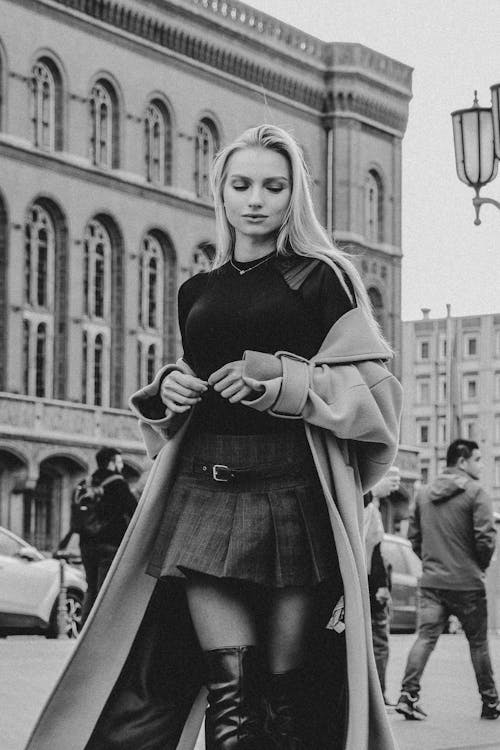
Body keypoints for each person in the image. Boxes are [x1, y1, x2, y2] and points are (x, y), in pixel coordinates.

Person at [26, 124, 402, 750]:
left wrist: (281, 379)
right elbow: (197, 382)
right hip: (204, 492)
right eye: (242, 184)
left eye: (274, 186)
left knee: (286, 702)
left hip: (293, 496)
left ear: (294, 197)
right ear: (221, 194)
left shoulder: (321, 278)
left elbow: (375, 399)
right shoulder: (195, 290)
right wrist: (168, 390)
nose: (257, 199)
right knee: (230, 696)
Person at [396, 439, 498, 721]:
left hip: (431, 583)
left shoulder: (424, 494)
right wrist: (479, 564)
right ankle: (490, 703)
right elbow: (486, 538)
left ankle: (407, 695)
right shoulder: (477, 494)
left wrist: (431, 562)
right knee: (478, 643)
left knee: (425, 638)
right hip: (467, 584)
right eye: (478, 459)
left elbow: (413, 539)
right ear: (462, 461)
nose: (481, 464)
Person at [78, 447, 137, 623]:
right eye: (119, 461)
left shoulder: (88, 482)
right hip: (109, 544)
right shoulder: (118, 483)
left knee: (91, 588)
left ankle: (83, 631)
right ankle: (100, 632)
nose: (121, 465)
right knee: (105, 591)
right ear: (111, 462)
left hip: (86, 543)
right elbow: (135, 510)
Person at [364, 481, 394, 706]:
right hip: (369, 585)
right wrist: (382, 586)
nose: (395, 485)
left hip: (352, 582)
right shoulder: (369, 507)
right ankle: (378, 697)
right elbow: (376, 551)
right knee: (378, 642)